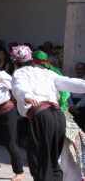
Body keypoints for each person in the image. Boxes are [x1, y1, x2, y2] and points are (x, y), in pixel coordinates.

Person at [11, 45, 85, 181]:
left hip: (42, 116)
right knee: (52, 160)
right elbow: (71, 83)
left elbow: (19, 86)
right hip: (58, 116)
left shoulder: (19, 73)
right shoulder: (49, 73)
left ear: (16, 62)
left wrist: (26, 95)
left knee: (40, 160)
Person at [33, 50, 85, 181]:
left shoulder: (50, 74)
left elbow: (65, 94)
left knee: (61, 153)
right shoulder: (50, 73)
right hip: (59, 115)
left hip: (58, 115)